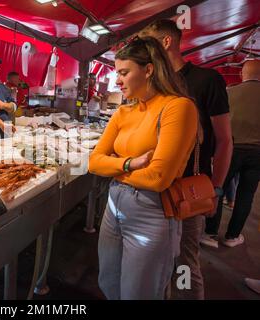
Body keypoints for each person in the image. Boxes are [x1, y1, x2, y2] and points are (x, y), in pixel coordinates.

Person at [88, 37, 198, 299]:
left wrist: (113, 167)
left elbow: (158, 177)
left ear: (148, 70)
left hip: (152, 211)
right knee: (109, 283)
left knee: (140, 292)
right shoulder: (123, 113)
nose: (118, 80)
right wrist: (129, 163)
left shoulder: (178, 107)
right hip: (114, 205)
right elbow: (93, 161)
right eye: (117, 73)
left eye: (124, 73)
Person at [140, 19, 233, 299]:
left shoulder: (207, 81)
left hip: (187, 190)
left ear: (165, 42)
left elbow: (225, 140)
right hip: (151, 187)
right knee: (154, 262)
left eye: (148, 43)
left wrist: (215, 188)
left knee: (184, 264)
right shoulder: (149, 83)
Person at [204, 60, 260, 247]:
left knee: (218, 189)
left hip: (231, 149)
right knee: (246, 195)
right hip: (257, 153)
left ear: (243, 74)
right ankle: (232, 236)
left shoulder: (229, 93)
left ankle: (210, 234)